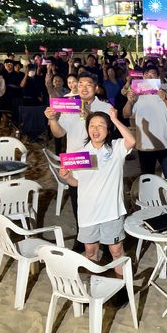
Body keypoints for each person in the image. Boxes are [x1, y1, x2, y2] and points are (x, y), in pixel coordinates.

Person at [58, 108, 135, 276]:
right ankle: (94, 285)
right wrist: (66, 177)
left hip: (111, 211)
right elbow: (76, 182)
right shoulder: (79, 154)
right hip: (88, 213)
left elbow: (131, 140)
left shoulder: (116, 148)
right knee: (91, 251)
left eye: (101, 125)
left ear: (108, 130)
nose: (95, 129)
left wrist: (114, 119)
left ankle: (122, 286)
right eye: (92, 125)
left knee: (116, 251)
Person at [45, 71, 113, 243]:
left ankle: (104, 241)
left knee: (100, 204)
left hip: (99, 165)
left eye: (88, 84)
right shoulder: (70, 106)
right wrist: (53, 120)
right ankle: (82, 239)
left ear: (96, 88)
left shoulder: (105, 108)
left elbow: (112, 138)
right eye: (80, 84)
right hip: (76, 164)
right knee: (78, 203)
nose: (83, 87)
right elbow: (59, 133)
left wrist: (92, 113)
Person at [122, 65, 167, 179]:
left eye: (152, 73)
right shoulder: (137, 96)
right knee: (147, 180)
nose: (149, 76)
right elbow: (125, 114)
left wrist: (165, 99)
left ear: (158, 77)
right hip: (145, 147)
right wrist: (129, 102)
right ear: (142, 78)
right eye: (146, 74)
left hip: (166, 145)